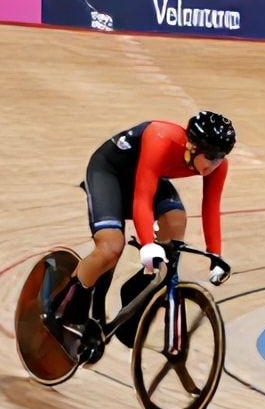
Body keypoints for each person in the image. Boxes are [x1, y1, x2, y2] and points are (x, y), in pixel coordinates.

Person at [43, 112, 236, 335]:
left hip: (145, 177)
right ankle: (62, 309)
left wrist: (216, 255)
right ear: (193, 147)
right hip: (109, 172)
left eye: (221, 156)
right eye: (211, 156)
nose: (215, 163)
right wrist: (147, 244)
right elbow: (142, 198)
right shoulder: (160, 137)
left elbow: (211, 208)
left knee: (175, 223)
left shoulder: (218, 166)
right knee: (111, 247)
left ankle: (141, 290)